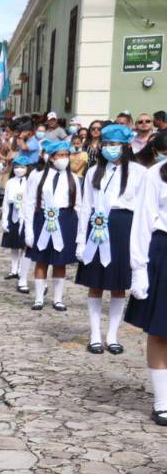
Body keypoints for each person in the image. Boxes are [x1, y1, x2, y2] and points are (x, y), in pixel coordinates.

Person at [75, 123, 144, 354]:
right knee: (95, 283)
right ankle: (95, 334)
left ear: (125, 146)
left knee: (117, 286)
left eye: (114, 144)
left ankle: (112, 335)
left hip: (124, 229)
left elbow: (143, 210)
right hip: (96, 227)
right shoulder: (94, 171)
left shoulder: (138, 172)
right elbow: (86, 207)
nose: (109, 148)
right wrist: (80, 240)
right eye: (106, 144)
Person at [126, 130, 167, 425]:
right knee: (161, 330)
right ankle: (162, 401)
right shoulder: (156, 175)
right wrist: (138, 268)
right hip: (164, 250)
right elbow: (142, 219)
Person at [24, 140, 81, 311]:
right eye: (60, 155)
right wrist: (28, 229)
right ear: (51, 158)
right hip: (43, 218)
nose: (64, 158)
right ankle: (39, 298)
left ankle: (58, 299)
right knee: (41, 260)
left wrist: (79, 232)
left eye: (66, 155)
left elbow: (79, 205)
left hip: (65, 219)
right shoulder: (38, 176)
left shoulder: (74, 179)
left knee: (60, 261)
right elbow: (30, 202)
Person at [1, 153, 36, 292]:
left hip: (25, 214)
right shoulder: (10, 182)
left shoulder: (30, 182)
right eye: (16, 167)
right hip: (13, 213)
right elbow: (5, 202)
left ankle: (22, 269)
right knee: (13, 244)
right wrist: (4, 219)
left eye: (22, 167)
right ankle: (14, 269)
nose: (19, 169)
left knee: (23, 245)